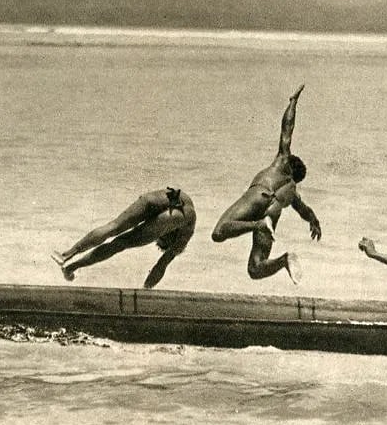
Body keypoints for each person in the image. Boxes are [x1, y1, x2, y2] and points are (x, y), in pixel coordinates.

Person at [211, 85, 321, 281]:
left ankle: (258, 224)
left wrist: (293, 101)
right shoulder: (292, 194)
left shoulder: (282, 161)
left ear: (290, 163)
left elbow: (287, 128)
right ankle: (284, 260)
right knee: (255, 269)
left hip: (260, 195)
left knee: (219, 233)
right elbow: (305, 211)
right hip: (273, 211)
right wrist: (314, 221)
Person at [51, 187, 196, 289]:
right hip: (178, 215)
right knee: (119, 244)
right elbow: (161, 265)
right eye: (160, 239)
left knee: (113, 226)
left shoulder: (187, 201)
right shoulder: (182, 240)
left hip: (159, 198)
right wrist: (147, 289)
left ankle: (66, 255)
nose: (157, 238)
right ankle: (71, 267)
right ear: (170, 238)